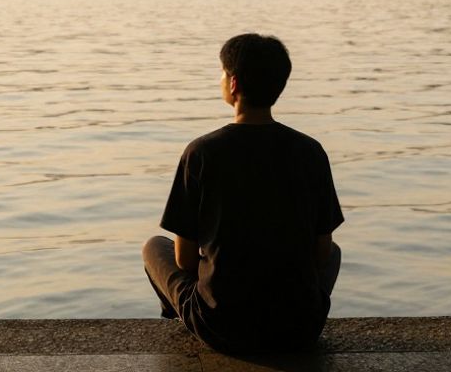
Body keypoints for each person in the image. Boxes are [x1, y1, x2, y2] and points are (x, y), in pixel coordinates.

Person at [142, 33, 343, 354]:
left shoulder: (201, 153)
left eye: (222, 73)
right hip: (300, 328)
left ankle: (184, 317)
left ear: (233, 83)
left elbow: (184, 259)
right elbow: (321, 254)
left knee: (154, 247)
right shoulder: (311, 152)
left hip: (221, 328)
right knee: (334, 251)